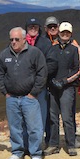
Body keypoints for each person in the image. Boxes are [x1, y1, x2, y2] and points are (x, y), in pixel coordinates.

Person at [0, 27, 48, 159]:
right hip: (12, 98)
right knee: (15, 127)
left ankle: (36, 153)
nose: (13, 42)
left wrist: (34, 93)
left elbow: (42, 74)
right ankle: (17, 151)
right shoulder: (4, 54)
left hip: (29, 97)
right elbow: (0, 74)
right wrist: (5, 92)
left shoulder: (34, 53)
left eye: (17, 39)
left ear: (24, 39)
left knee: (34, 127)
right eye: (11, 39)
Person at [46, 22, 80, 156]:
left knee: (67, 117)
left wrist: (65, 81)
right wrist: (50, 81)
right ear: (59, 33)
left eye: (67, 33)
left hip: (67, 87)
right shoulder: (53, 47)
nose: (65, 35)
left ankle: (71, 144)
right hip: (53, 87)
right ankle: (53, 144)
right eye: (63, 32)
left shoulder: (75, 48)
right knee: (52, 117)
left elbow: (79, 69)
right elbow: (48, 65)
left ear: (71, 34)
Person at [25, 17, 57, 145]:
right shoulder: (21, 42)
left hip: (41, 86)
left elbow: (52, 63)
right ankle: (25, 144)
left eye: (35, 26)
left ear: (39, 28)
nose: (33, 29)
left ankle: (37, 145)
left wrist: (39, 76)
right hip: (24, 86)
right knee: (24, 117)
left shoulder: (45, 43)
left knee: (40, 116)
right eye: (30, 26)